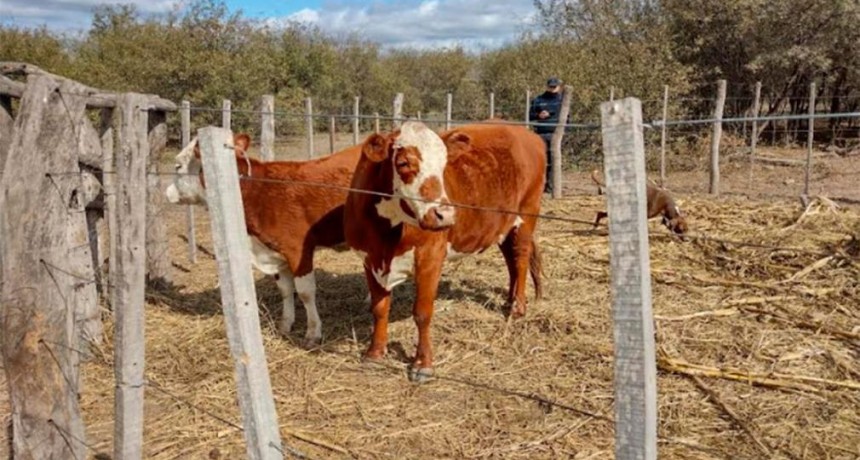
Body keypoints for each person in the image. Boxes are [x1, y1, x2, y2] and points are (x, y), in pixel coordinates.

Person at [529, 76, 566, 194]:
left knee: (554, 160)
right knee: (540, 160)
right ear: (547, 86)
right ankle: (539, 186)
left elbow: (567, 118)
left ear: (559, 87)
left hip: (555, 134)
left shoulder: (562, 101)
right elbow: (530, 116)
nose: (552, 89)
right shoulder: (538, 100)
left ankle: (551, 187)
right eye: (550, 86)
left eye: (554, 87)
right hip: (540, 133)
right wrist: (538, 115)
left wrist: (564, 131)